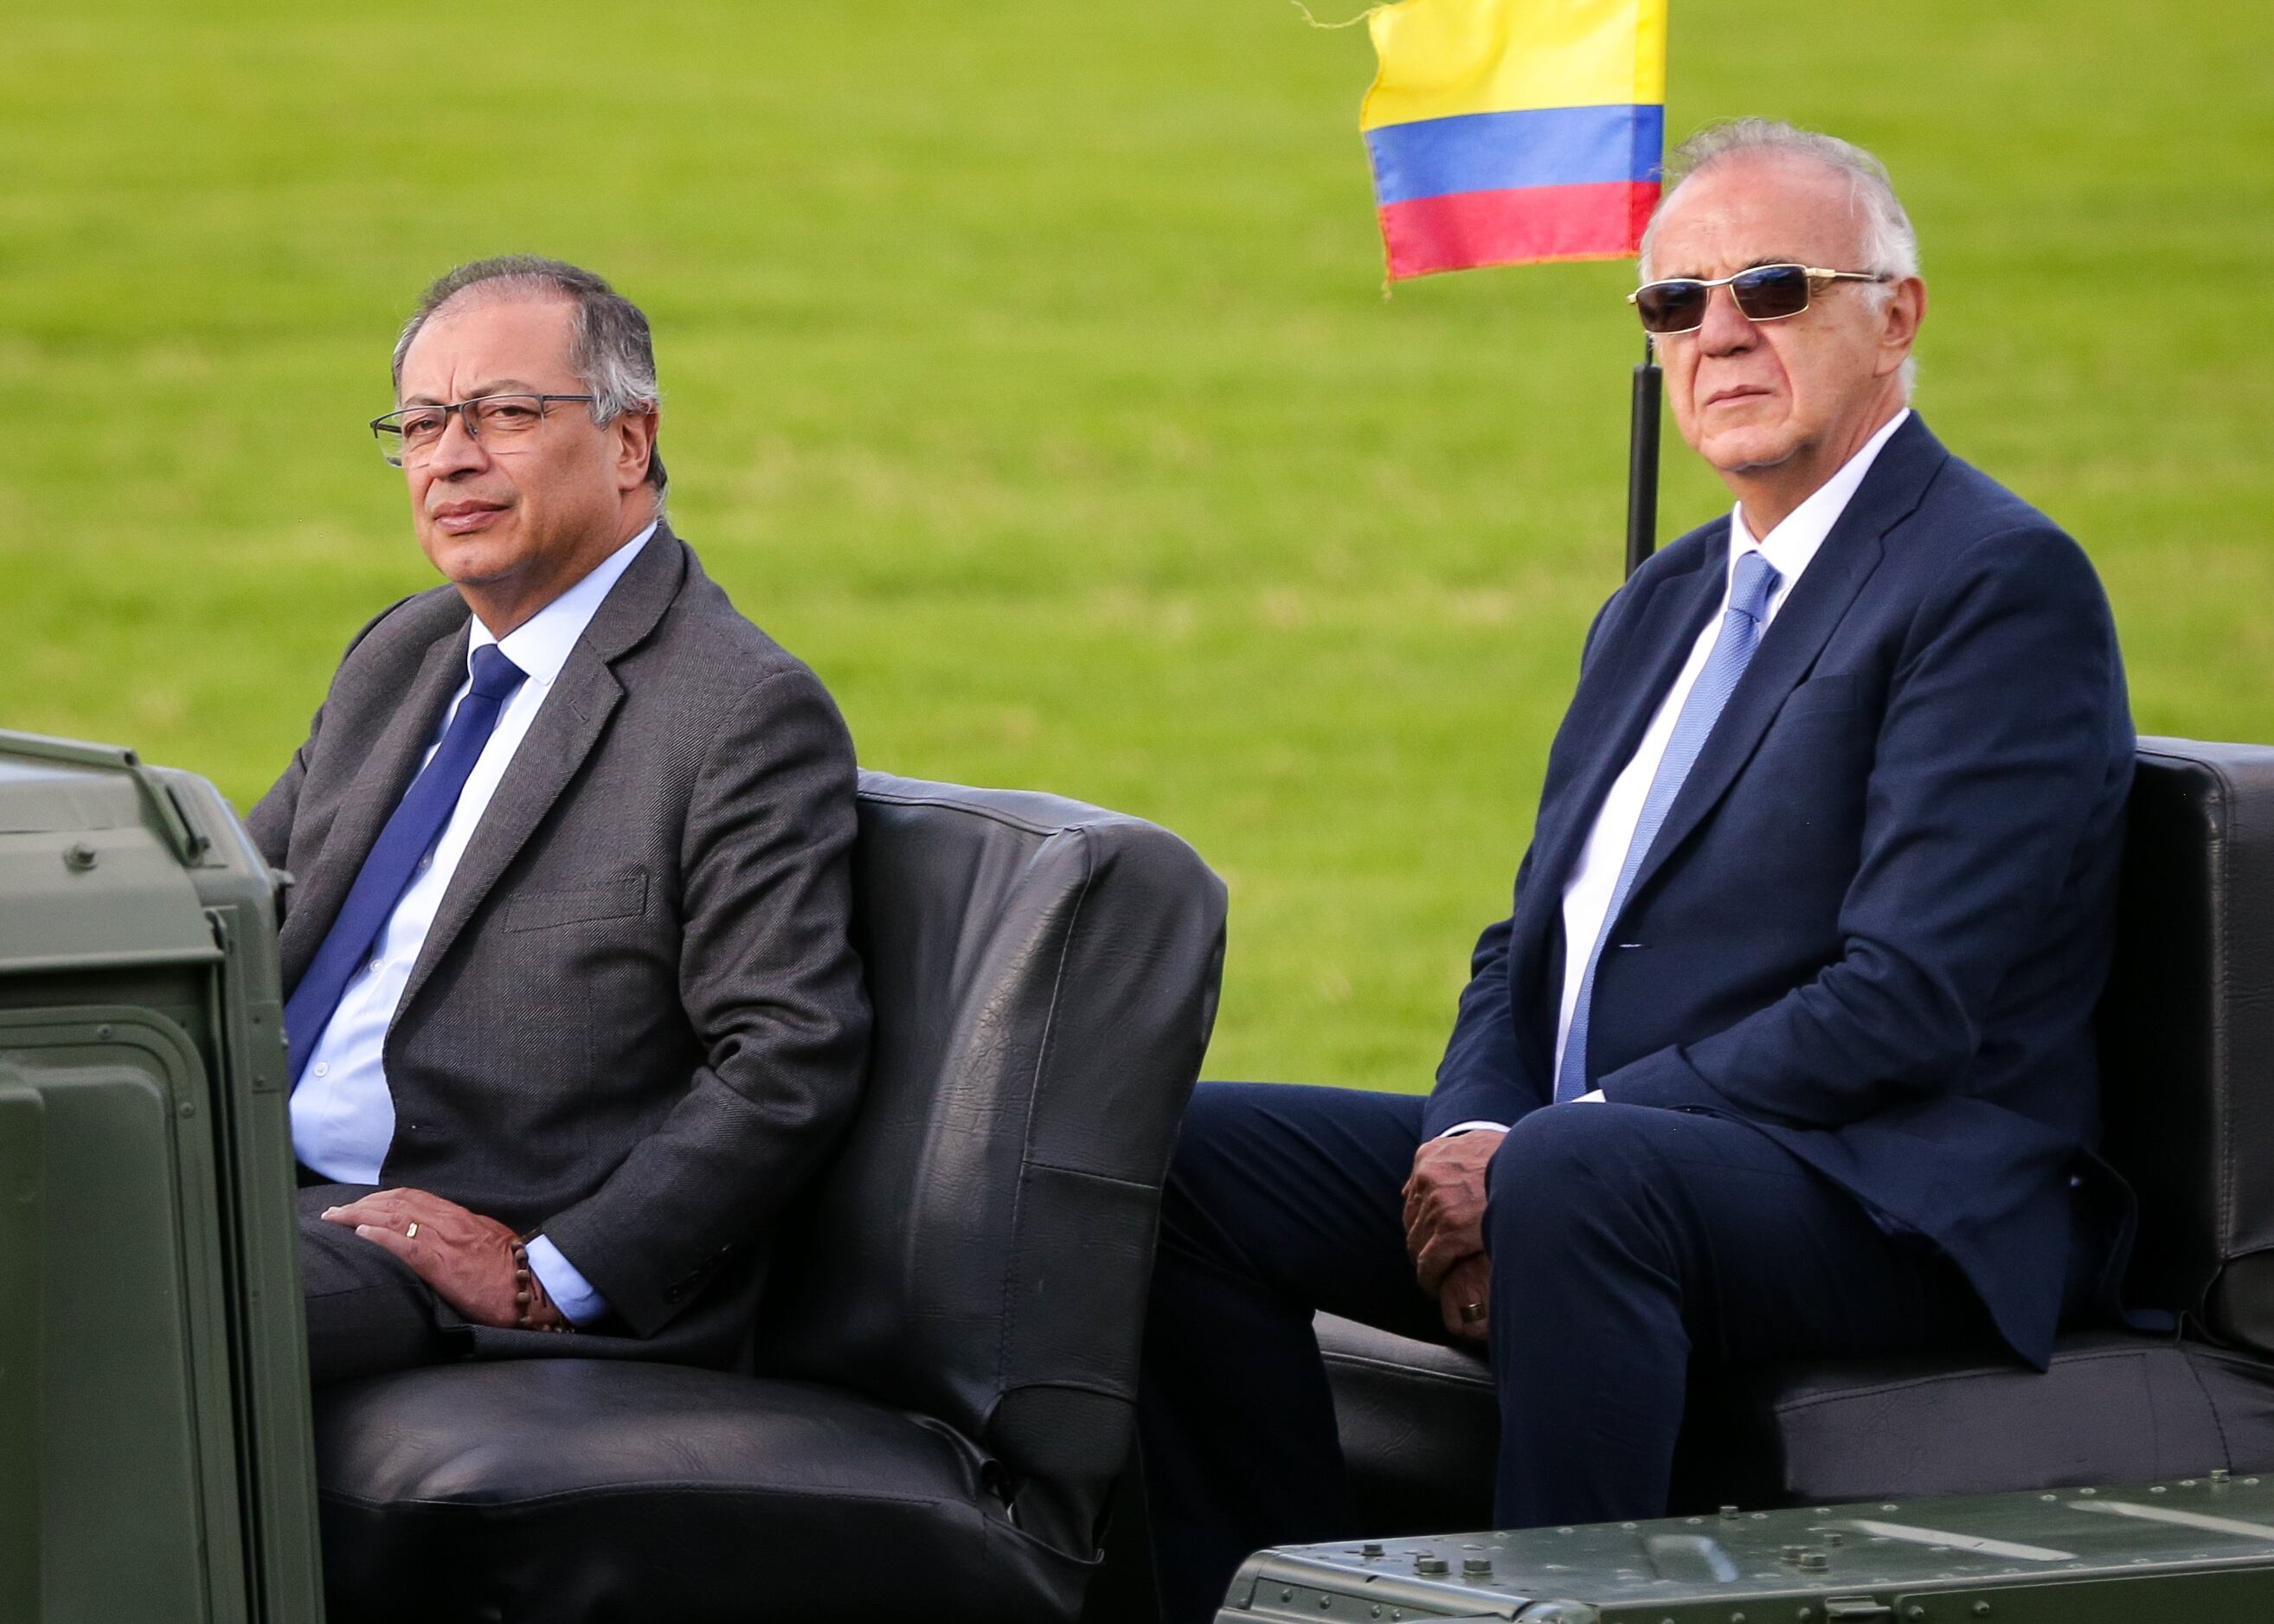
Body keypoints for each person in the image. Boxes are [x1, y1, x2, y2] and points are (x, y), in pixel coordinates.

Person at [1137, 119, 2135, 1621]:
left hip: (1897, 1181)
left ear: (1898, 313)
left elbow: (1907, 1001)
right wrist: (1465, 1138)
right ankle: (1298, 1596)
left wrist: (1542, 1148)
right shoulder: (1665, 599)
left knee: (1580, 1175)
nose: (1719, 333)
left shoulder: (1994, 583)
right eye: (1676, 303)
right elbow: (1519, 941)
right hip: (1620, 1153)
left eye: (1774, 287)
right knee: (1173, 1156)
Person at [247, 256, 870, 1383]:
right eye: (424, 423)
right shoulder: (404, 654)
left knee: (107, 1306)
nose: (449, 458)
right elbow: (237, 909)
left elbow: (789, 1056)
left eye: (504, 415)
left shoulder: (738, 709)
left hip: (431, 1238)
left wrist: (554, 1272)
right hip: (244, 1178)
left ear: (631, 442)